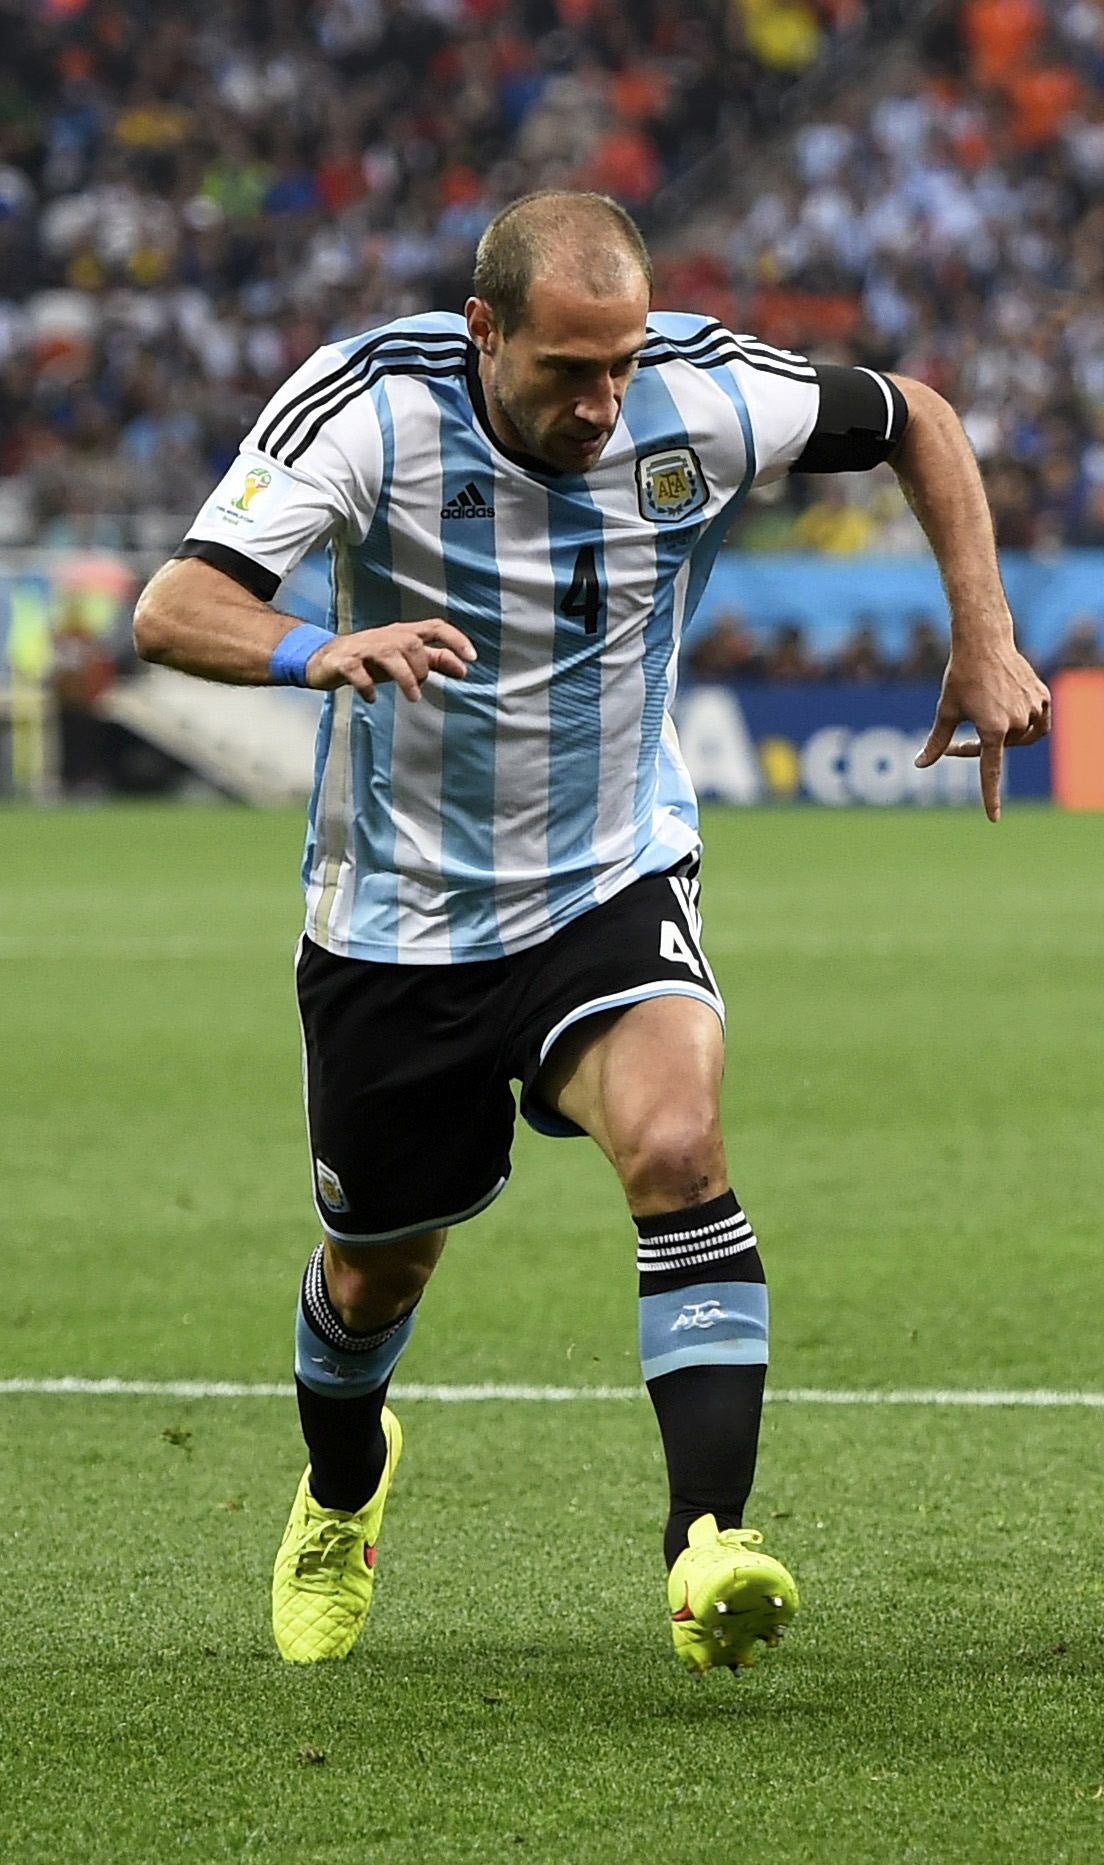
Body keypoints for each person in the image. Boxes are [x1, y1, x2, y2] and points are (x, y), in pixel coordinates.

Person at [129, 190, 1050, 1672]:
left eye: (621, 364)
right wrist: (322, 646)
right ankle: (344, 1488)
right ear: (484, 332)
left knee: (679, 1143)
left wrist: (984, 632)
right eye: (568, 370)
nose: (603, 402)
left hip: (607, 872)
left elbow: (917, 418)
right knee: (376, 1272)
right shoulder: (365, 404)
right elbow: (174, 610)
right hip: (397, 918)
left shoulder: (698, 393)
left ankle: (709, 1546)